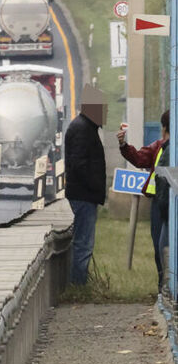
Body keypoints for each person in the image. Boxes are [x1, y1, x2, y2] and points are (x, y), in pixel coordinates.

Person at [118, 110, 170, 288]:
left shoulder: (166, 147)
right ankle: (162, 286)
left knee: (163, 245)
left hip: (167, 204)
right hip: (159, 203)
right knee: (159, 247)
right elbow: (140, 158)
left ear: (164, 128)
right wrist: (124, 145)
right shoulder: (158, 147)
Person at [64, 84, 107, 285]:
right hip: (84, 196)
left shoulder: (84, 126)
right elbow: (79, 164)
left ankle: (79, 282)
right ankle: (78, 285)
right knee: (83, 243)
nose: (105, 112)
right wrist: (95, 186)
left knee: (83, 242)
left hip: (84, 194)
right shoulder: (83, 129)